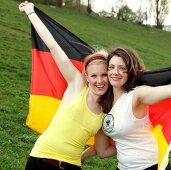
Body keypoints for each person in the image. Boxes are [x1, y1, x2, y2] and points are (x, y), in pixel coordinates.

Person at [83, 47, 171, 170]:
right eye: (111, 67)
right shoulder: (104, 103)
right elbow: (103, 151)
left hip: (150, 166)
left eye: (122, 68)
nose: (115, 72)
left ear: (130, 72)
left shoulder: (136, 95)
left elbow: (167, 90)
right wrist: (82, 156)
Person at [19, 1, 109, 169]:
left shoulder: (108, 108)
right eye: (94, 75)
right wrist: (30, 12)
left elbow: (102, 148)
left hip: (72, 166)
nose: (99, 80)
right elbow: (53, 46)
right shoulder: (76, 84)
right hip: (40, 160)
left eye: (104, 75)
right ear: (86, 77)